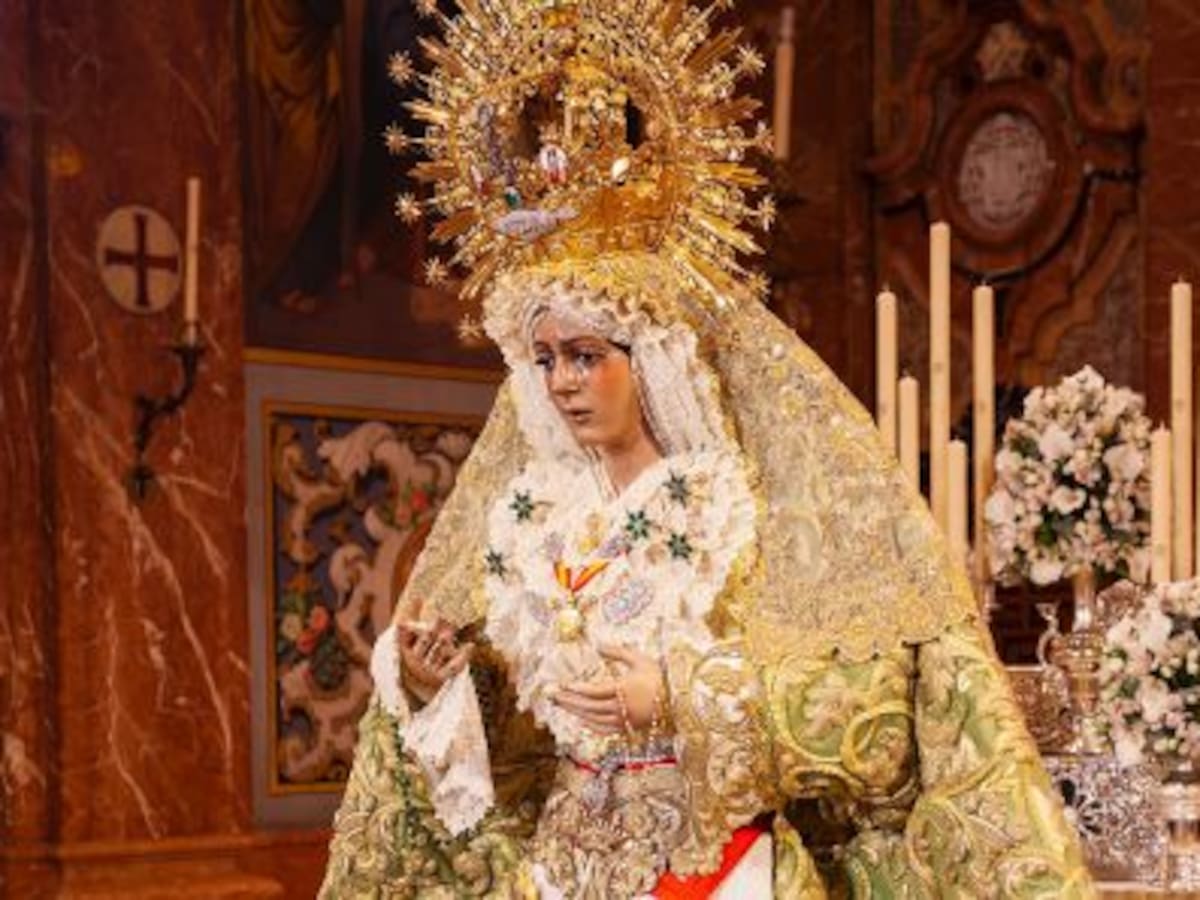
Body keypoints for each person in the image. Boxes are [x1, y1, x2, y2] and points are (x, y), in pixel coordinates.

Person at [320, 1, 1094, 896]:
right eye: (545, 360)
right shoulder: (532, 519)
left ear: (648, 358)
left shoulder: (740, 508)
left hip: (716, 864)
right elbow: (511, 746)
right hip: (564, 868)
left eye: (586, 355)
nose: (562, 382)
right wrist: (435, 682)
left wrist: (681, 700)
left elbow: (874, 714)